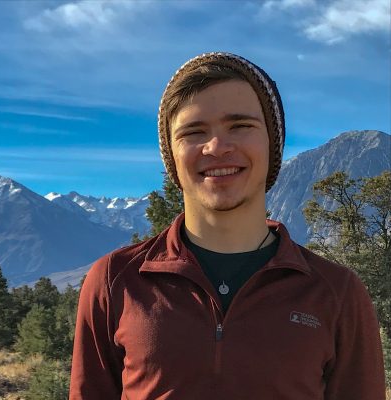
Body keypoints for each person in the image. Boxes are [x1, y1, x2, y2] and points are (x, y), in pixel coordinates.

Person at [69, 52, 386, 399]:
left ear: (272, 144)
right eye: (194, 131)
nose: (217, 147)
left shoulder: (337, 292)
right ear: (171, 155)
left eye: (240, 126)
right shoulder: (115, 281)